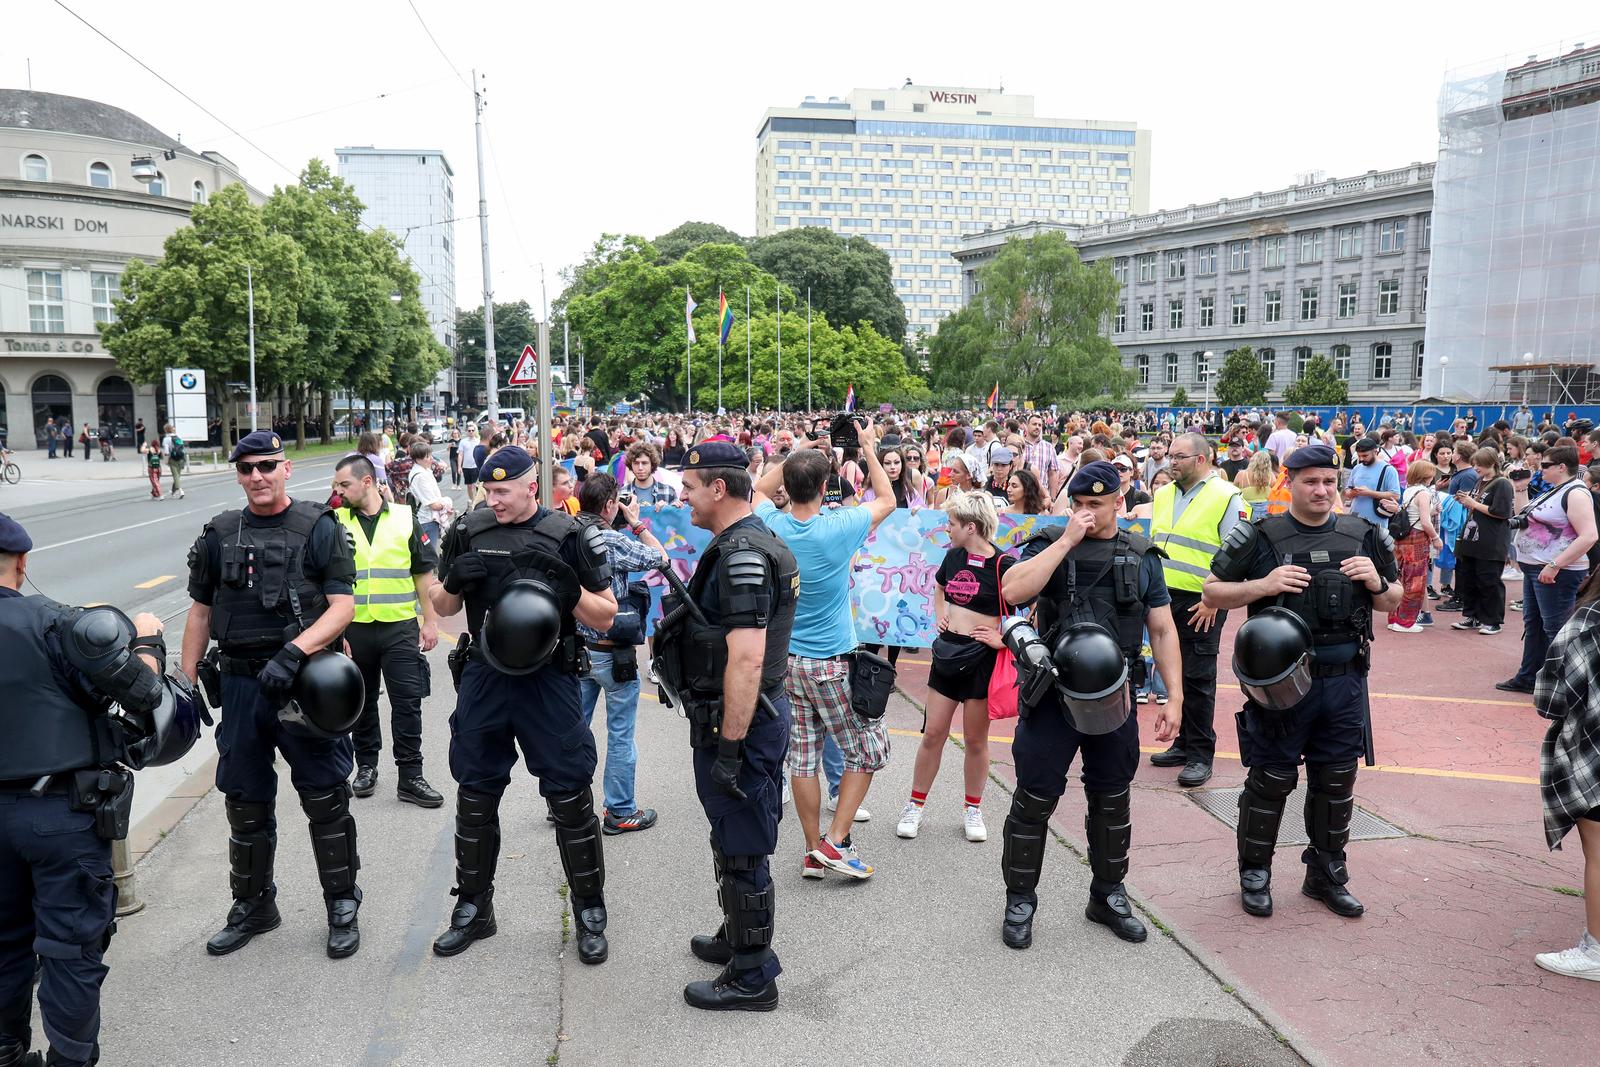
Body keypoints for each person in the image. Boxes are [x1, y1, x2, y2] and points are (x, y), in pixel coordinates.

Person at [428, 445, 618, 962]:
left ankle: (589, 910)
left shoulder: (569, 534)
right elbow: (442, 606)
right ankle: (473, 908)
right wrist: (454, 581)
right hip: (486, 678)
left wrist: (569, 587)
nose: (494, 500)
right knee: (475, 794)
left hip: (549, 681)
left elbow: (605, 616)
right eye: (488, 491)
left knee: (571, 797)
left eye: (503, 491)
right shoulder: (469, 529)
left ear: (532, 486)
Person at [180, 430, 362, 958]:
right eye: (246, 468)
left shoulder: (318, 527)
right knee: (244, 799)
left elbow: (342, 607)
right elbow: (199, 612)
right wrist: (186, 683)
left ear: (286, 468)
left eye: (266, 466)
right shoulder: (218, 533)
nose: (257, 476)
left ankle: (342, 905)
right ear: (237, 475)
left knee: (325, 796)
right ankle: (255, 905)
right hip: (239, 685)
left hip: (301, 685)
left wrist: (296, 652)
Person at [0, 513, 172, 1067]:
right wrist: (147, 638)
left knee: (3, 942)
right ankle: (70, 1061)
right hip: (59, 815)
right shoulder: (57, 624)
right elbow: (145, 695)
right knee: (70, 948)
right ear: (22, 564)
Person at [1203, 443, 1401, 920]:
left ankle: (1326, 873)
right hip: (1283, 685)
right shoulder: (1261, 535)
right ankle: (1255, 872)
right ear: (1288, 482)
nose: (1321, 490)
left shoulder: (1364, 534)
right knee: (1271, 779)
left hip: (1345, 680)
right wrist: (1263, 586)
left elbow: (1393, 601)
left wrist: (1376, 582)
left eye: (1329, 482)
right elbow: (1212, 590)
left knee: (1336, 781)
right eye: (1310, 481)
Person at [998, 461, 1183, 947]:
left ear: (1118, 503)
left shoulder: (1141, 555)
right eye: (1078, 504)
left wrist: (1175, 697)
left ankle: (1107, 895)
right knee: (1034, 799)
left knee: (1111, 799)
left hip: (1115, 697)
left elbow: (1161, 628)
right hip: (1054, 695)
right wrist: (1065, 542)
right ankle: (1020, 900)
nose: (1086, 513)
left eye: (1096, 505)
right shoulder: (1050, 543)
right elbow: (1013, 590)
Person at [656, 441, 798, 1011]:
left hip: (741, 722)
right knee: (729, 835)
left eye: (689, 486)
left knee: (743, 847)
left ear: (718, 489)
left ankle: (753, 975)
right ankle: (736, 935)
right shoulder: (744, 537)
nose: (682, 496)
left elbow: (745, 659)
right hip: (733, 718)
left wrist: (732, 747)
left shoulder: (743, 554)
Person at [753, 425, 895, 879]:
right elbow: (888, 500)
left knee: (805, 758)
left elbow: (758, 488)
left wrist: (797, 451)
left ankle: (813, 847)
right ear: (823, 486)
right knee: (867, 751)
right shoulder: (837, 526)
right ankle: (834, 843)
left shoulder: (772, 523)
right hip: (830, 661)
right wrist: (869, 449)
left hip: (787, 663)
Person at [330, 456, 444, 810]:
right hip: (354, 629)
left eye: (343, 485)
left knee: (407, 702)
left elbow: (423, 573)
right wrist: (336, 632)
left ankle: (410, 775)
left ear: (367, 482)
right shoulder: (334, 521)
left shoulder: (404, 517)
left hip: (398, 627)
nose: (337, 492)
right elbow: (325, 580)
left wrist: (430, 622)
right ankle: (366, 766)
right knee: (361, 702)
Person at [899, 491, 1009, 844]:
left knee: (976, 740)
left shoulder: (1003, 565)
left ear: (971, 527)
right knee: (933, 734)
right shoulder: (953, 557)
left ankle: (972, 808)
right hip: (948, 654)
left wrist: (1002, 638)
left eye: (952, 524)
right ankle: (915, 805)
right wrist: (940, 618)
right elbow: (941, 588)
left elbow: (1033, 608)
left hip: (982, 659)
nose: (947, 529)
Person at [1147, 433, 1248, 788]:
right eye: (1169, 456)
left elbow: (1237, 553)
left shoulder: (1226, 496)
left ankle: (1201, 753)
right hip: (1163, 597)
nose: (1171, 462)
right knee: (1174, 672)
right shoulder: (1163, 494)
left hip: (1201, 600)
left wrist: (1212, 600)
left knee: (1199, 677)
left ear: (1202, 460)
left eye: (1179, 457)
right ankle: (1184, 742)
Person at [575, 472, 666, 835]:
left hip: (576, 648)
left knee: (572, 729)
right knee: (620, 734)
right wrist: (636, 522)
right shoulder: (612, 540)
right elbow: (661, 558)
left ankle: (566, 801)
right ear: (610, 505)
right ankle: (620, 810)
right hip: (613, 652)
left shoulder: (567, 532)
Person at [1533, 572, 1600, 980]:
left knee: (1599, 852)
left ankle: (1595, 949)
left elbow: (1549, 699)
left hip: (1593, 754)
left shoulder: (1586, 623)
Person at [1497, 444, 1598, 694]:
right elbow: (1523, 515)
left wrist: (1555, 565)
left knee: (1556, 629)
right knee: (1534, 624)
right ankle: (1529, 676)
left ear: (1561, 467)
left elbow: (1589, 536)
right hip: (1537, 568)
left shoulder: (1575, 493)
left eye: (1544, 465)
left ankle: (1565, 685)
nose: (1539, 468)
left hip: (1556, 571)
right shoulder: (1555, 490)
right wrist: (1520, 487)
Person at [1452, 449, 1514, 636]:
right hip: (1472, 539)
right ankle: (1471, 616)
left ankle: (1492, 620)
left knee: (1489, 581)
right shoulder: (1480, 481)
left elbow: (1502, 512)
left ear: (1492, 463)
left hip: (1491, 541)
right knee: (1469, 579)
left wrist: (1473, 503)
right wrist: (1466, 501)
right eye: (1475, 463)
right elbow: (1476, 505)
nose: (1476, 467)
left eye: (1480, 464)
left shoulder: (1502, 483)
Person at [1386, 460, 1440, 634]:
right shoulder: (1424, 493)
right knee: (1416, 582)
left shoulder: (1409, 490)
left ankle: (1395, 618)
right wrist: (1436, 538)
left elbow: (1413, 513)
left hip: (1403, 540)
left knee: (1401, 578)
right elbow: (1425, 522)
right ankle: (1406, 621)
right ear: (1427, 475)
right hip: (1418, 540)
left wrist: (1431, 511)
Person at [1343, 438, 1399, 529]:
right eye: (1359, 456)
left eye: (1365, 456)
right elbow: (1347, 491)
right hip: (1354, 519)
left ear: (1375, 451)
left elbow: (1395, 495)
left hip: (1377, 523)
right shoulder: (1357, 468)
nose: (1361, 459)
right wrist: (1352, 493)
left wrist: (1369, 493)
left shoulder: (1389, 469)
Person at [405, 440, 453, 545]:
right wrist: (447, 503)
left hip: (426, 520)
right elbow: (434, 505)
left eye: (431, 455)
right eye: (427, 457)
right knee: (430, 556)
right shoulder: (421, 476)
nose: (431, 458)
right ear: (418, 459)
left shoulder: (423, 470)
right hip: (427, 521)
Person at [624, 441, 678, 507]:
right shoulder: (622, 493)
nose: (640, 468)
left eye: (644, 463)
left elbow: (676, 516)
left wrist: (668, 511)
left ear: (652, 464)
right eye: (636, 463)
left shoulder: (669, 491)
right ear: (631, 465)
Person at [160, 423, 186, 500]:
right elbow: (182, 447)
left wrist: (166, 460)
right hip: (181, 458)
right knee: (177, 476)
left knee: (175, 476)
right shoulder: (178, 437)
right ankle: (172, 492)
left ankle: (181, 491)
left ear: (165, 430)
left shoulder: (166, 439)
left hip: (173, 459)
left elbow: (166, 452)